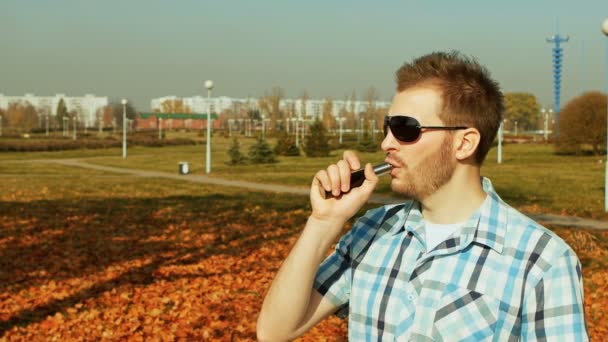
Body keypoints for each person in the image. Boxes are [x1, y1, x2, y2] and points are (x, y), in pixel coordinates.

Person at [256, 51, 588, 341]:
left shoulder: (541, 261)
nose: (387, 143)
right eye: (386, 127)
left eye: (405, 129)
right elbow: (275, 331)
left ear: (464, 143)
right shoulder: (371, 233)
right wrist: (323, 222)